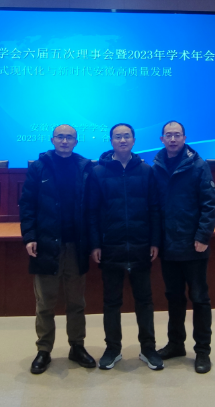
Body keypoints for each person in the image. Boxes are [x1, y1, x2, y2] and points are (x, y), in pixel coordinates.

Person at [19, 124, 96, 374]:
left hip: (76, 245)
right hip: (46, 244)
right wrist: (29, 236)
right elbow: (27, 204)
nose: (64, 141)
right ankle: (44, 350)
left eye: (69, 137)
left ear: (76, 141)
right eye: (60, 137)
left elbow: (92, 207)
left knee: (76, 302)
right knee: (45, 302)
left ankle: (77, 346)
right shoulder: (39, 167)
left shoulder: (85, 167)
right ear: (52, 140)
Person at [89, 123, 163, 371]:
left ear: (133, 140)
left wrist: (154, 241)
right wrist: (95, 244)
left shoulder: (146, 171)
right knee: (112, 302)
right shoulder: (98, 172)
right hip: (110, 245)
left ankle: (148, 348)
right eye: (118, 137)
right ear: (111, 141)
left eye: (127, 136)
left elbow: (154, 209)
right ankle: (112, 349)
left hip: (141, 245)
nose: (122, 140)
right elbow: (92, 212)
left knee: (145, 301)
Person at [153, 121, 215, 374]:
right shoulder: (156, 166)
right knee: (174, 298)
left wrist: (203, 236)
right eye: (168, 135)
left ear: (184, 137)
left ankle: (202, 350)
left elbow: (209, 204)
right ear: (161, 139)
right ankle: (176, 344)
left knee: (199, 298)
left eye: (177, 135)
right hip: (168, 245)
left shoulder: (198, 165)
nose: (172, 139)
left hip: (194, 244)